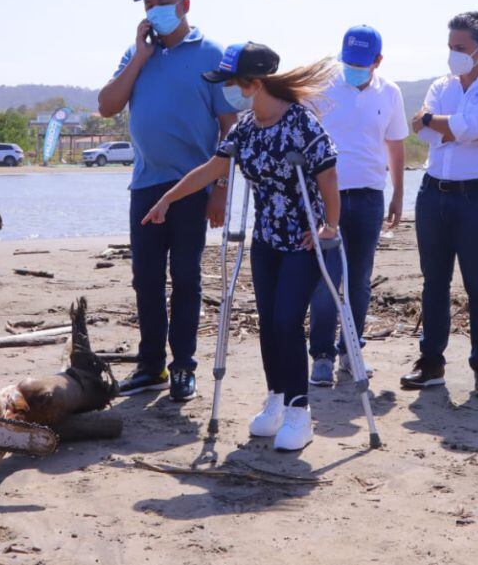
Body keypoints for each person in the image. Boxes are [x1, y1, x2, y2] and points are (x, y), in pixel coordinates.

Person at [142, 42, 339, 451]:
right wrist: (167, 200)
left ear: (254, 83)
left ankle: (300, 412)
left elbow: (327, 175)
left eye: (231, 83)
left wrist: (329, 226)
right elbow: (209, 170)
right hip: (266, 242)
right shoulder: (245, 129)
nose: (227, 91)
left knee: (287, 321)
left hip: (302, 243)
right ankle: (276, 399)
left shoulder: (301, 124)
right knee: (268, 322)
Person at [97, 0, 238, 402]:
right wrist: (139, 57)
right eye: (147, 5)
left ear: (185, 5)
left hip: (194, 185)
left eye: (161, 2)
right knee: (146, 278)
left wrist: (220, 189)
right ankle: (151, 365)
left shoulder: (211, 54)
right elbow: (106, 106)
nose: (153, 10)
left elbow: (229, 127)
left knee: (186, 277)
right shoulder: (136, 54)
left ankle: (183, 368)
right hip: (146, 185)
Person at [406, 12, 478, 398]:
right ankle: (431, 362)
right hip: (434, 193)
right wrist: (464, 128)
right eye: (450, 47)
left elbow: (455, 127)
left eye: (460, 48)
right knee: (434, 282)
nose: (452, 55)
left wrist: (450, 125)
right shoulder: (441, 86)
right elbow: (424, 132)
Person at [308, 25, 408, 386]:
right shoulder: (322, 87)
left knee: (359, 280)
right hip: (326, 197)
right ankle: (321, 355)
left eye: (360, 62)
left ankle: (351, 349)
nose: (352, 67)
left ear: (377, 61)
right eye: (347, 60)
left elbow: (395, 145)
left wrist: (398, 193)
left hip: (369, 197)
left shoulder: (391, 93)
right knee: (326, 277)